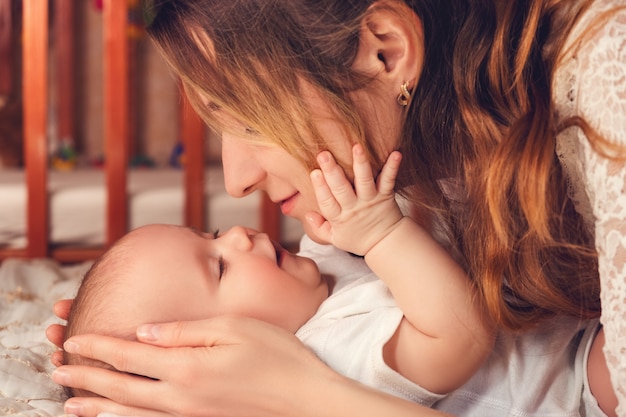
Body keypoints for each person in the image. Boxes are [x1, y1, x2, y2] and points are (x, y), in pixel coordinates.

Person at [46, 0, 625, 416]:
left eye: (251, 120)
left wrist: (293, 393)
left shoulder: (605, 77)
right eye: (217, 265)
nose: (238, 184)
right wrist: (124, 356)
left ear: (387, 50)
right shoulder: (335, 338)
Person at [63, 147, 492, 408]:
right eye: (220, 266)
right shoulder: (333, 354)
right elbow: (461, 337)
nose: (237, 235)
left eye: (211, 235)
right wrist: (384, 235)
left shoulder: (314, 274)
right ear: (218, 356)